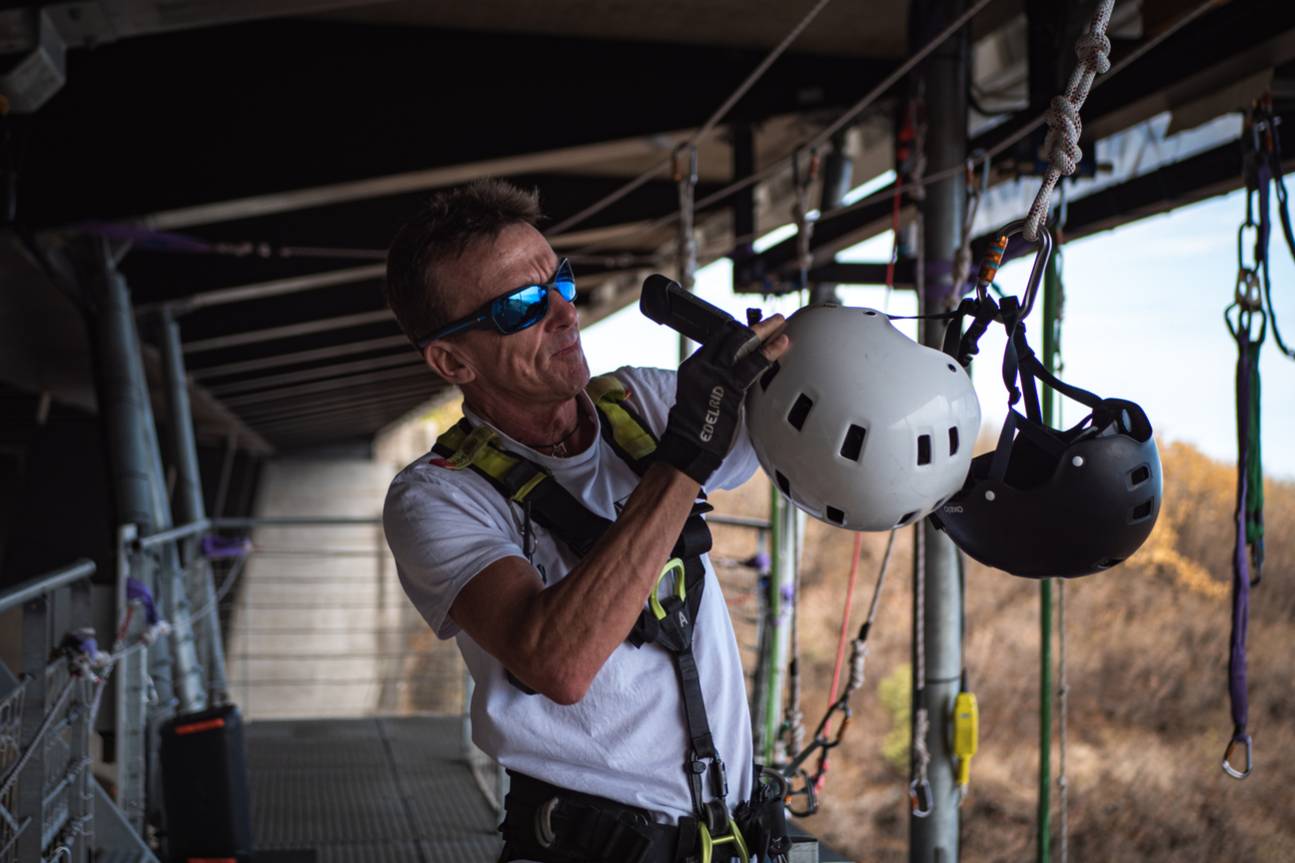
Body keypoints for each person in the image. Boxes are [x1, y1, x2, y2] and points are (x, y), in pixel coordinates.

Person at [382, 179, 790, 863]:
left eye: (561, 282)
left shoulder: (642, 403)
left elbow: (823, 441)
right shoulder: (438, 497)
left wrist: (799, 353)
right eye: (521, 305)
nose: (565, 314)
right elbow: (557, 661)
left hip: (729, 835)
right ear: (452, 360)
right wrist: (686, 453)